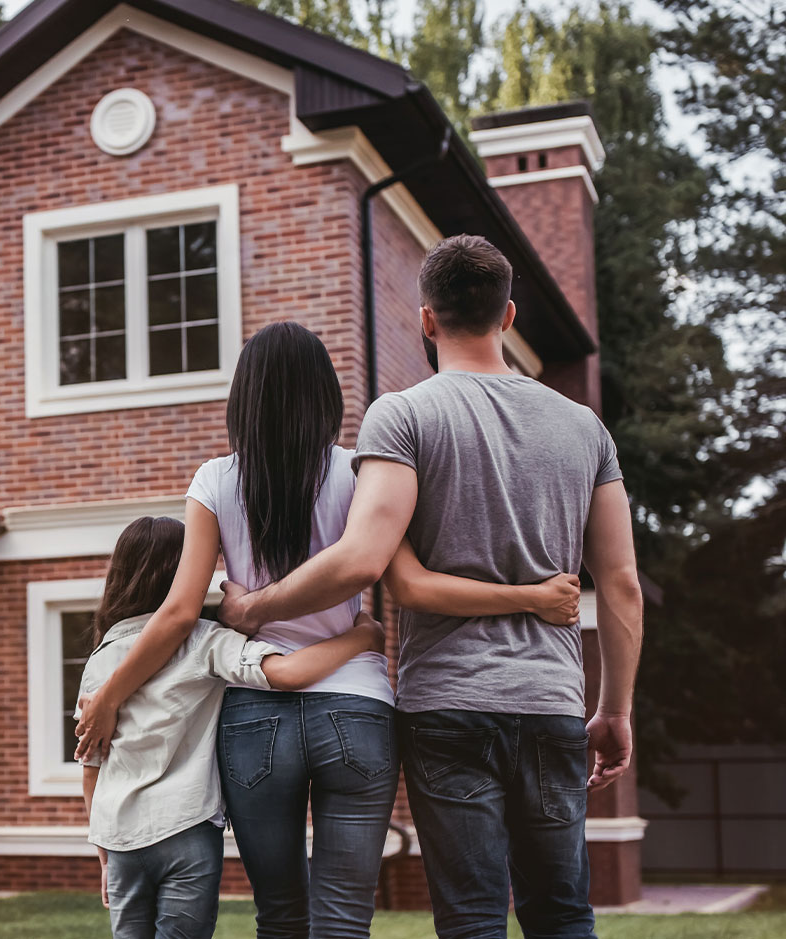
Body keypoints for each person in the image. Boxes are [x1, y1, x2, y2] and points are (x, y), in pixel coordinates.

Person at [76, 321, 583, 938]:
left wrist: (108, 696)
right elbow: (397, 576)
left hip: (255, 715)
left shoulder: (215, 480)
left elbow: (179, 613)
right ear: (326, 396)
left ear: (244, 397)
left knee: (281, 918)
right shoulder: (363, 472)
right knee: (343, 921)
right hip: (356, 707)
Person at [215, 235, 644, 939]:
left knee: (473, 917)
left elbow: (364, 561)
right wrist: (615, 708)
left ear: (425, 319)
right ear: (508, 315)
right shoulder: (585, 428)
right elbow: (621, 583)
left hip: (446, 706)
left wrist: (253, 606)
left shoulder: (403, 414)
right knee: (563, 911)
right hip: (550, 701)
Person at [79, 515, 385, 939]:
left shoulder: (100, 659)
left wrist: (103, 852)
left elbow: (91, 766)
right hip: (186, 830)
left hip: (119, 837)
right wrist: (363, 637)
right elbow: (287, 673)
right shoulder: (205, 641)